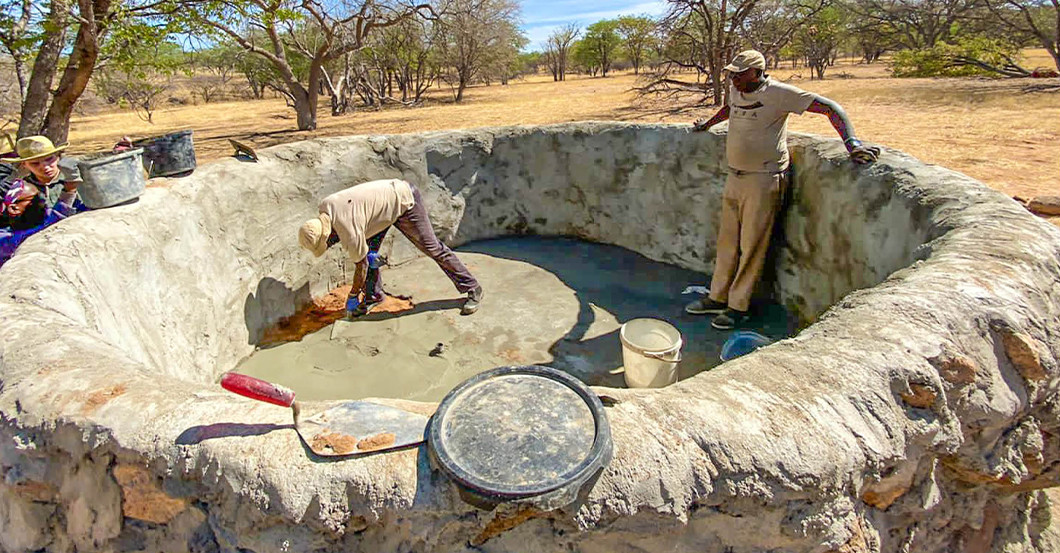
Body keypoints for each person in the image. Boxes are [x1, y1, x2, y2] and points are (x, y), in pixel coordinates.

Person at [685, 49, 880, 330]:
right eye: (732, 75)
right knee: (727, 242)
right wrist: (707, 124)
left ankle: (739, 306)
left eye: (740, 75)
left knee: (752, 245)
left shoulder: (779, 93)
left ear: (757, 72)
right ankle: (717, 297)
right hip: (735, 176)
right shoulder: (737, 89)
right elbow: (731, 108)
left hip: (763, 179)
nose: (734, 80)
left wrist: (852, 143)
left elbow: (828, 108)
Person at [298, 178, 483, 317]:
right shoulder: (325, 207)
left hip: (403, 201)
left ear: (329, 234)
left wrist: (353, 295)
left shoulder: (348, 229)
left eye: (327, 243)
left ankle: (473, 287)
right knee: (369, 254)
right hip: (379, 211)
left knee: (432, 248)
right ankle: (374, 295)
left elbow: (360, 266)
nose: (329, 246)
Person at [0, 179, 82, 267]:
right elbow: (43, 231)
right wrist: (68, 193)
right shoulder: (5, 240)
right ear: (14, 209)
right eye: (35, 200)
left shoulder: (43, 215)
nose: (43, 201)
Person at [10, 135, 84, 210]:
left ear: (58, 157)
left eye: (49, 159)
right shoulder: (23, 190)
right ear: (24, 164)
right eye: (35, 163)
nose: (45, 167)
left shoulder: (78, 179)